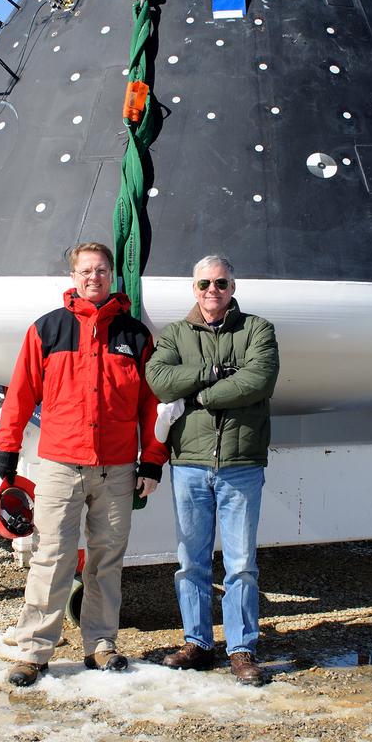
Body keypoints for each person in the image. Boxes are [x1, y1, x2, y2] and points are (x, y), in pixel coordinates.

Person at [0, 241, 167, 687]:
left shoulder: (134, 336)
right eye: (86, 270)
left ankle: (101, 644)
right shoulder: (47, 330)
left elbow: (152, 405)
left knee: (107, 559)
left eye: (102, 270)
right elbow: (21, 392)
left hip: (117, 468)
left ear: (112, 275)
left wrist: (152, 460)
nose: (94, 277)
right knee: (51, 556)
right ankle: (34, 651)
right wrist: (7, 446)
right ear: (73, 277)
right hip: (61, 466)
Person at [145, 254, 279, 686]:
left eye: (221, 283)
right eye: (204, 284)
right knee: (191, 562)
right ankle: (198, 643)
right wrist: (213, 371)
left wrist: (200, 396)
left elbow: (258, 380)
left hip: (240, 463)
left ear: (232, 288)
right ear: (194, 288)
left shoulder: (257, 329)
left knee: (240, 565)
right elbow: (159, 380)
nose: (212, 291)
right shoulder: (176, 334)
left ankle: (241, 649)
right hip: (189, 463)